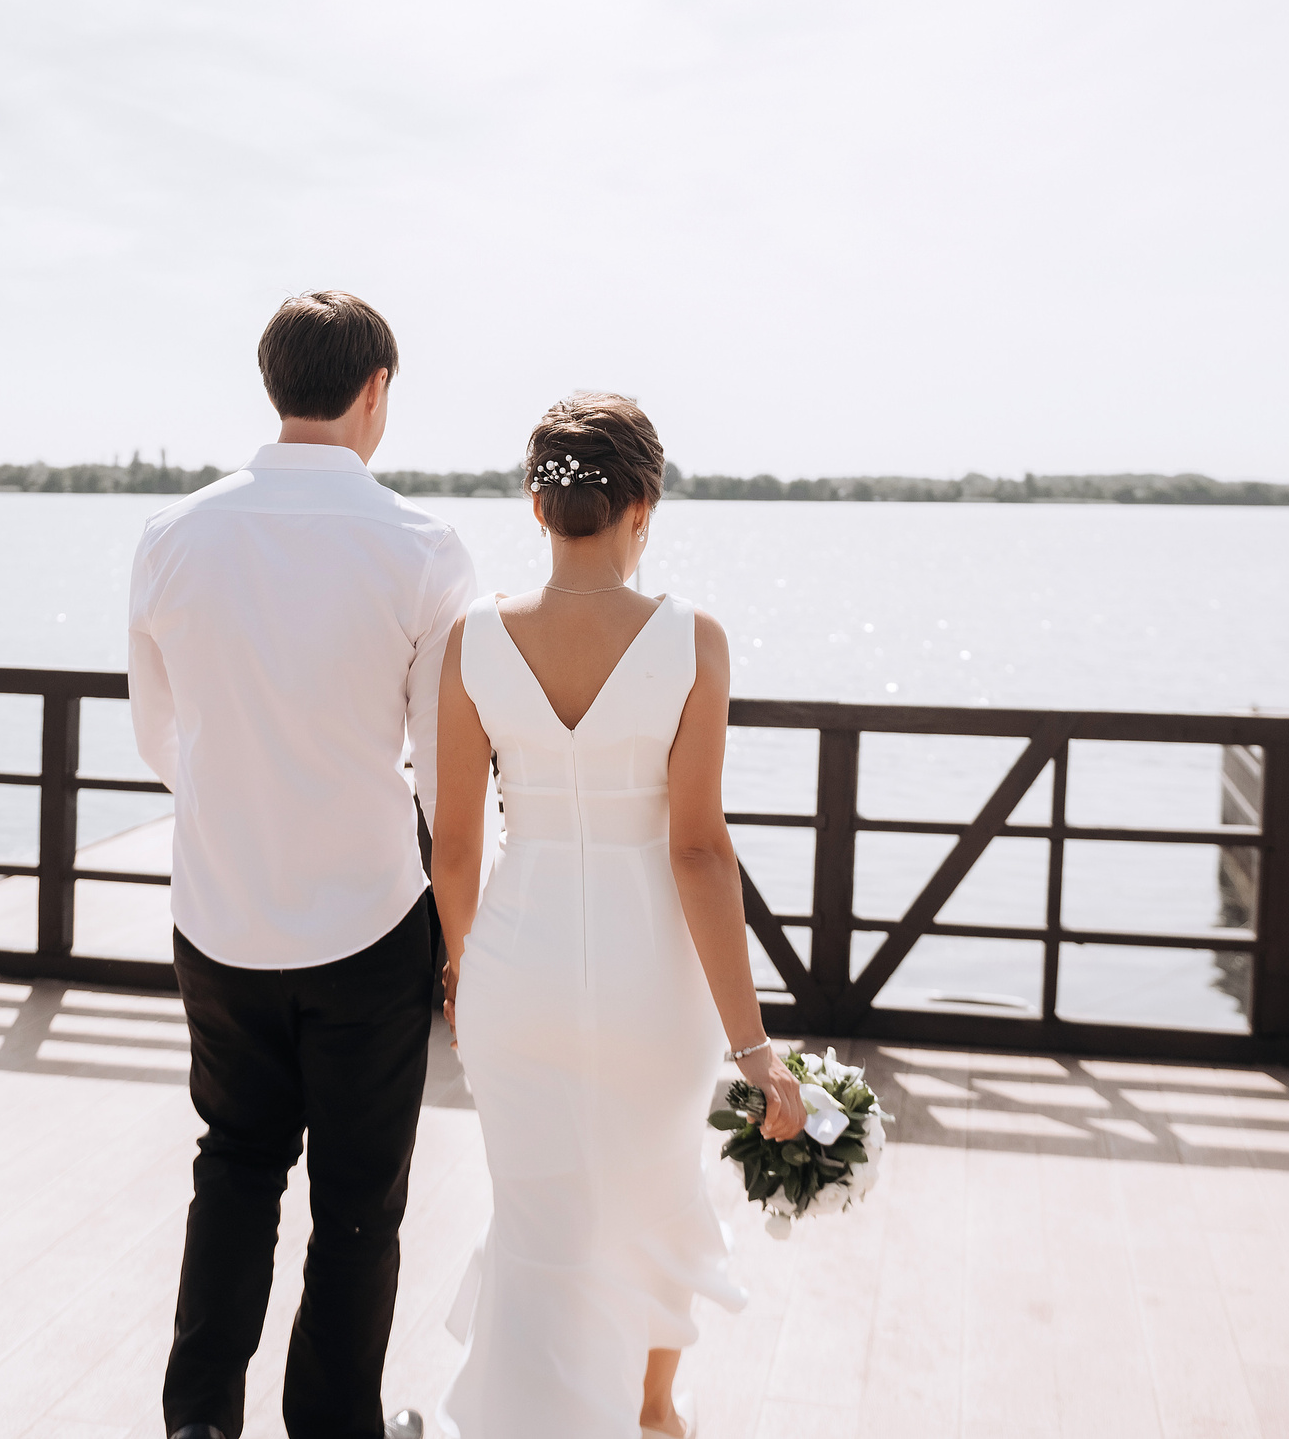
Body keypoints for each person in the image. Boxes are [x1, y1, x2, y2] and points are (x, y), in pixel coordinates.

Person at [428, 394, 808, 1439]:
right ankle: (647, 1413)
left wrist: (464, 971)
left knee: (537, 1210)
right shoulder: (694, 640)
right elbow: (695, 848)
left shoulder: (472, 637)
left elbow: (454, 846)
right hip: (651, 979)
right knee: (651, 1196)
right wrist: (753, 1044)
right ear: (644, 502)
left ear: (534, 504)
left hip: (516, 962)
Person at [130, 292, 473, 1439]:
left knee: (232, 1167)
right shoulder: (422, 546)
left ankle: (198, 1426)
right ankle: (333, 1427)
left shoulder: (172, 534)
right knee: (358, 1201)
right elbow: (438, 762)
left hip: (219, 908)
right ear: (373, 388)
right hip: (370, 916)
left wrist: (248, 799)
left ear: (274, 385)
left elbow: (157, 740)